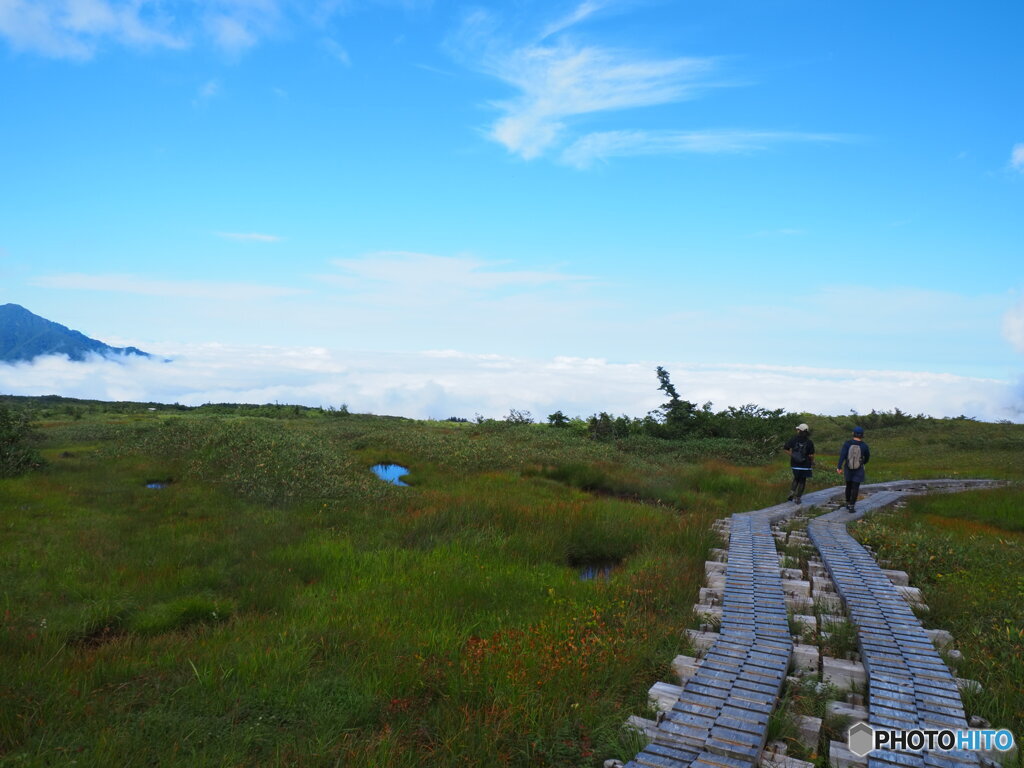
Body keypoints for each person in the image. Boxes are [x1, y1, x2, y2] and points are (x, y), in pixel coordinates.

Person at [836, 426, 870, 512]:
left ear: (853, 433)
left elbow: (842, 456)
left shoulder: (847, 444)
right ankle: (852, 505)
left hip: (848, 468)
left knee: (848, 486)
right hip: (859, 468)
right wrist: (862, 463)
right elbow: (867, 457)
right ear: (862, 435)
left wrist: (839, 467)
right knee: (855, 487)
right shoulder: (864, 445)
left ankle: (847, 502)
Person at [783, 423, 815, 504]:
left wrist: (793, 455)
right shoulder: (809, 442)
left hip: (795, 463)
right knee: (802, 480)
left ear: (799, 430)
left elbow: (785, 449)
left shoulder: (793, 439)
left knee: (796, 478)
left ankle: (792, 492)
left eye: (797, 429)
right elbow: (811, 455)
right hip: (805, 464)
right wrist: (812, 462)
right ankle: (798, 498)